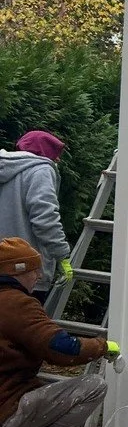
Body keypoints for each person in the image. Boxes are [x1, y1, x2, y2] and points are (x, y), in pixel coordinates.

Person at [0, 237, 116, 427]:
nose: (39, 276)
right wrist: (102, 346)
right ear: (18, 272)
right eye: (34, 270)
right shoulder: (15, 304)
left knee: (40, 393)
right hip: (4, 411)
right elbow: (62, 348)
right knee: (92, 386)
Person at [0, 131, 73, 306]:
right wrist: (62, 255)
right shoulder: (41, 170)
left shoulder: (5, 168)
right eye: (56, 154)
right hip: (26, 270)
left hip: (3, 263)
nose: (58, 160)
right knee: (28, 328)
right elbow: (45, 218)